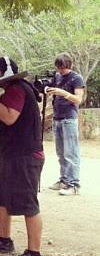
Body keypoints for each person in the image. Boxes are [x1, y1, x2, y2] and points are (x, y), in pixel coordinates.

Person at [0, 56, 45, 256]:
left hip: (25, 155)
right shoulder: (10, 91)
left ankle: (34, 254)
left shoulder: (17, 88)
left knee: (27, 203)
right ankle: (4, 240)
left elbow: (8, 117)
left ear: (6, 72)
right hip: (10, 155)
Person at [46, 52, 85, 196]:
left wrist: (63, 93)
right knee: (61, 152)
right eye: (58, 68)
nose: (61, 71)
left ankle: (74, 184)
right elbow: (49, 87)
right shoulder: (56, 76)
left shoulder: (76, 78)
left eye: (63, 68)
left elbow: (78, 99)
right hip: (57, 117)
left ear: (69, 65)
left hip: (69, 118)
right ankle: (64, 180)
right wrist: (48, 90)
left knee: (71, 152)